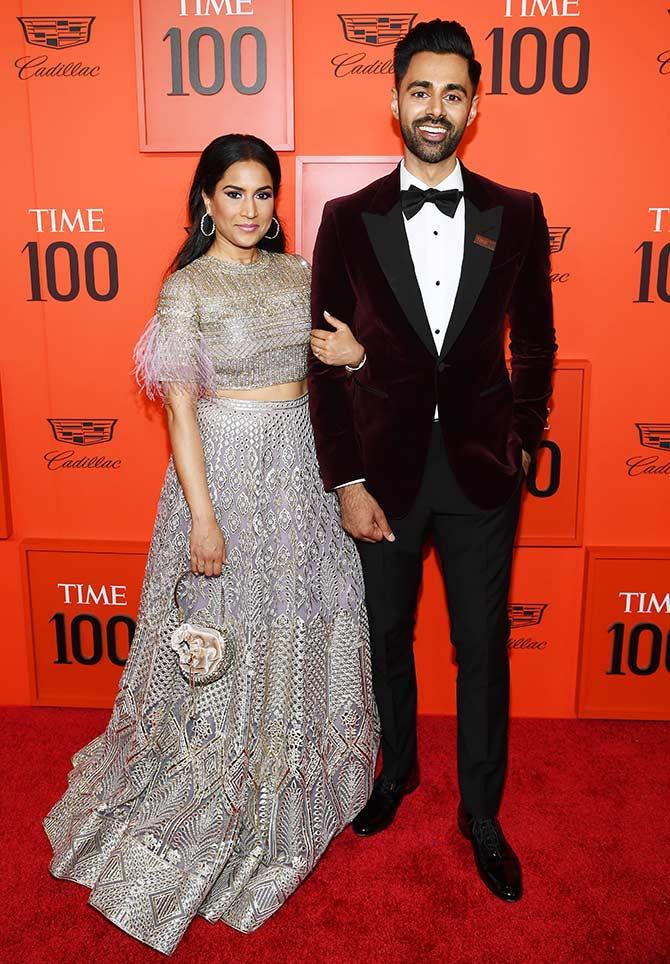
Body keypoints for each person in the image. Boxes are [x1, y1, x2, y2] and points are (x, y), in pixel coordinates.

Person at [44, 134, 378, 954]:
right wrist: (201, 514)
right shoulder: (184, 290)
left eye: (264, 194)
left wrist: (358, 353)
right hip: (223, 471)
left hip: (302, 465)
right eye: (234, 194)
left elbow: (344, 372)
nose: (251, 209)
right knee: (222, 637)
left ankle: (296, 769)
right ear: (205, 201)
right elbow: (183, 411)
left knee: (300, 623)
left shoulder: (301, 276)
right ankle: (214, 782)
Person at [308, 20, 557, 903]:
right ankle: (397, 773)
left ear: (475, 107)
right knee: (387, 638)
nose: (436, 109)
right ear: (395, 101)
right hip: (385, 476)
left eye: (454, 93)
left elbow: (537, 342)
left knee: (483, 646)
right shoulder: (347, 220)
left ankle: (482, 813)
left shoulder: (515, 211)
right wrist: (346, 479)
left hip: (484, 471)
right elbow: (322, 357)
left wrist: (521, 432)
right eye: (421, 91)